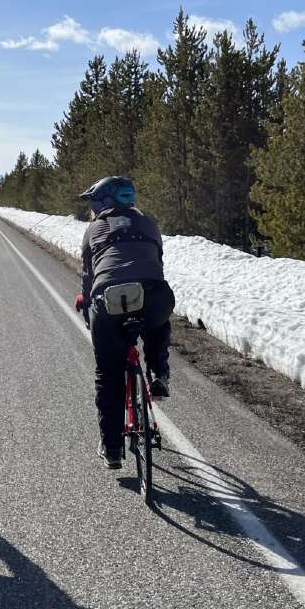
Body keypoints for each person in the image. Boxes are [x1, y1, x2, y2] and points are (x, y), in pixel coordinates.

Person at [74, 176, 176, 469]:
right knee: (158, 320)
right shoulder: (149, 222)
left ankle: (113, 448)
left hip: (111, 299)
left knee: (108, 375)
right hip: (152, 293)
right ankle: (159, 373)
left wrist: (85, 301)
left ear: (103, 203)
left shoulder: (94, 229)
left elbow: (89, 276)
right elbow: (156, 261)